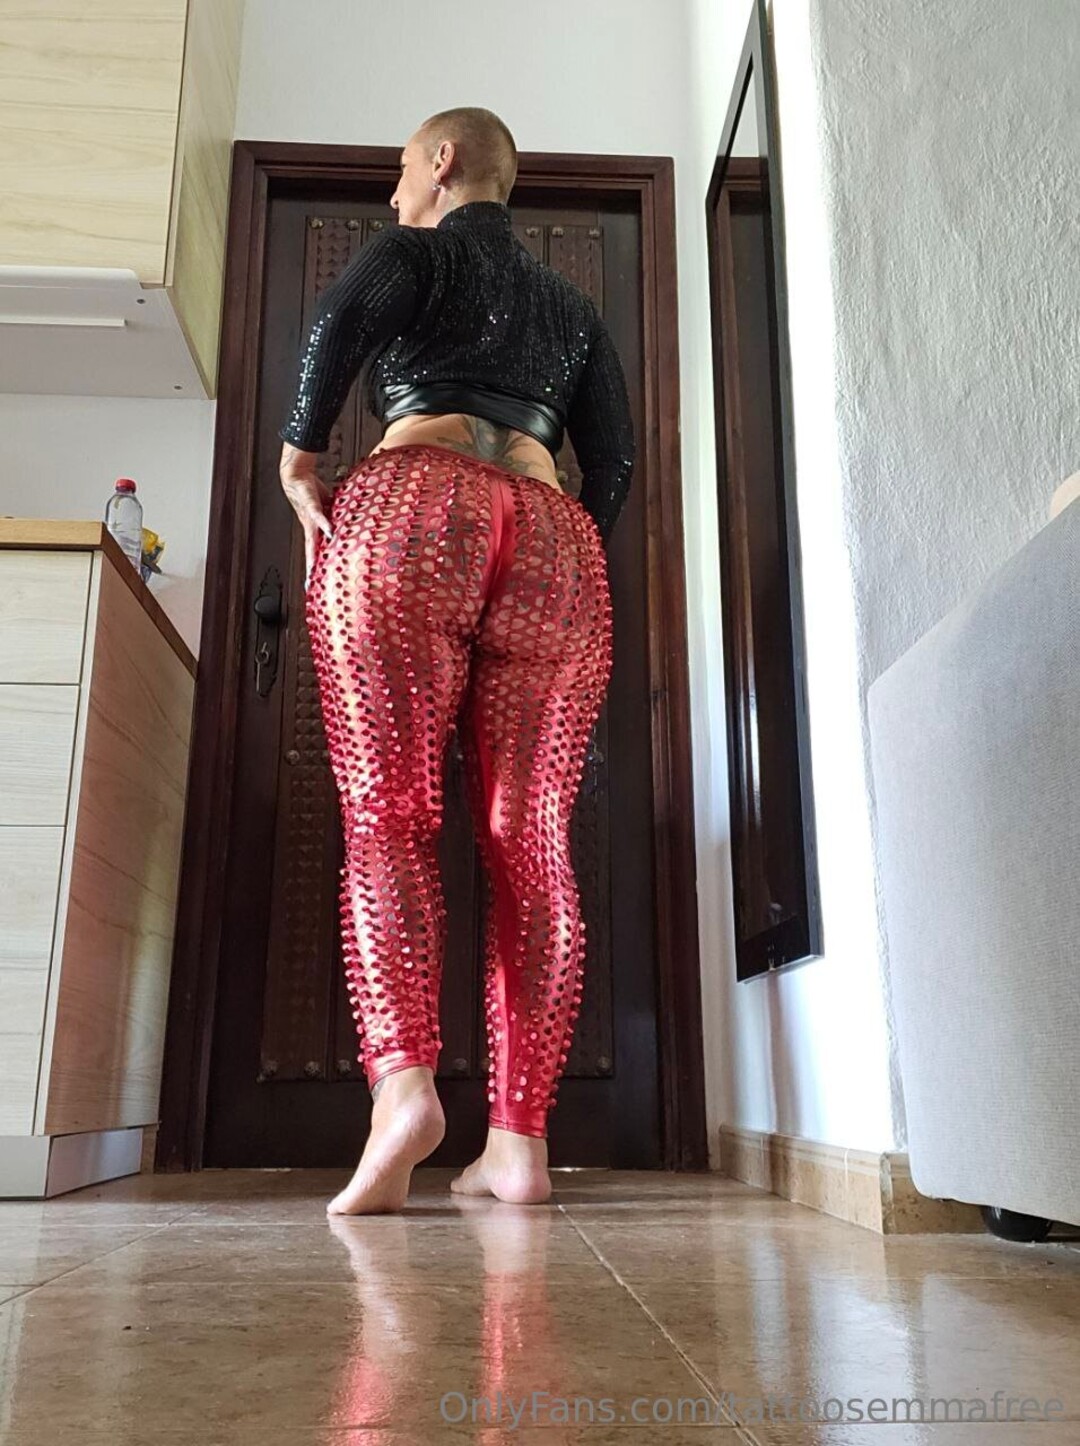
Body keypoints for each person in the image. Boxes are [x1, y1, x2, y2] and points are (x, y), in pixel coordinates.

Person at [278, 106, 635, 1215]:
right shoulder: (573, 308)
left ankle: (404, 1093)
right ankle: (519, 1145)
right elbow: (616, 461)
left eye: (401, 171)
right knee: (533, 839)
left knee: (389, 813)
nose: (394, 194)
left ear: (442, 163)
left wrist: (299, 458)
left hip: (411, 513)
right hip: (552, 534)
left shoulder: (415, 253)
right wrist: (554, 543)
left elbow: (335, 323)